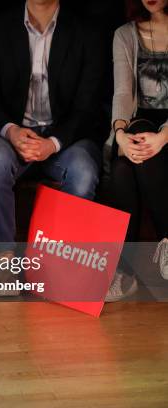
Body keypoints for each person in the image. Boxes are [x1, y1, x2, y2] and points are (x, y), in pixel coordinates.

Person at [0, 0, 106, 296]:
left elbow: (88, 104)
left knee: (84, 171)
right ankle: (4, 263)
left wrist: (53, 142)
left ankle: (65, 265)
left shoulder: (86, 30)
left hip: (65, 137)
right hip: (12, 133)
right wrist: (11, 131)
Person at [105, 0, 168, 302]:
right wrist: (118, 135)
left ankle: (124, 272)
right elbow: (122, 92)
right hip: (140, 125)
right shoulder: (125, 34)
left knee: (126, 168)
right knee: (126, 160)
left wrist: (164, 136)